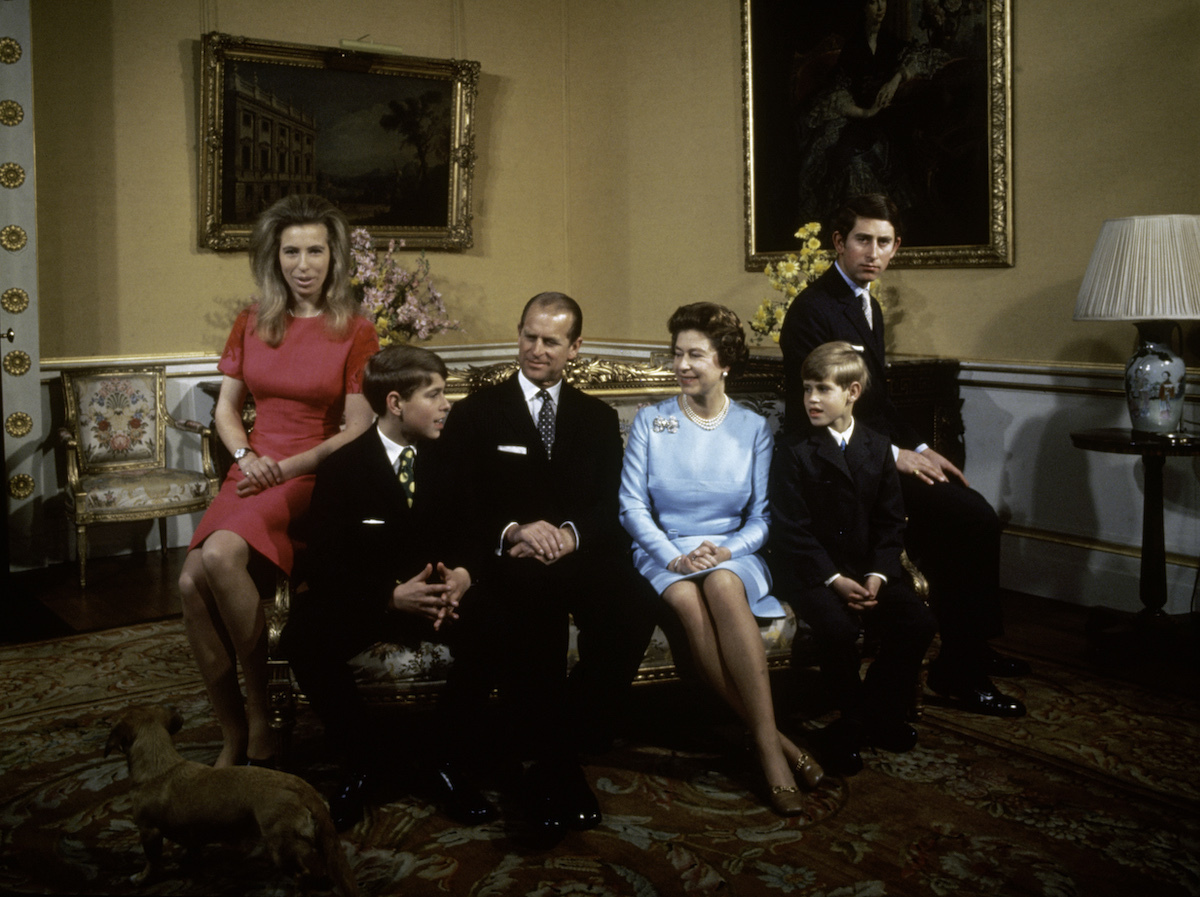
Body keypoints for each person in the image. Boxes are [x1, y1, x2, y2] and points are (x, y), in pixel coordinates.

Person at [779, 193, 1028, 718]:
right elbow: (816, 410)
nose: (873, 252)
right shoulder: (813, 309)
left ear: (896, 248)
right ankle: (959, 669)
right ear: (838, 243)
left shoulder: (866, 302)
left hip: (876, 451)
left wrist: (919, 448)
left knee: (970, 510)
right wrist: (893, 455)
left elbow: (878, 400)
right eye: (863, 240)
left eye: (884, 242)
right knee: (972, 519)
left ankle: (967, 649)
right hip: (839, 465)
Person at [422, 291, 657, 844]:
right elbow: (459, 504)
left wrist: (572, 536)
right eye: (529, 335)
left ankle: (568, 732)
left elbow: (609, 504)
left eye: (551, 341)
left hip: (573, 555)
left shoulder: (597, 418)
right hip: (509, 559)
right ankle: (555, 766)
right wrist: (514, 532)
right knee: (535, 610)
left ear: (575, 348)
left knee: (636, 601)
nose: (536, 349)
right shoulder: (479, 413)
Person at [180, 194, 379, 768]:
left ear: (333, 256)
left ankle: (264, 716)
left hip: (310, 473)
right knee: (190, 585)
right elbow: (225, 409)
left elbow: (356, 431)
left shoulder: (356, 330)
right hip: (253, 468)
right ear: (275, 257)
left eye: (315, 250)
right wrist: (245, 456)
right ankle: (231, 730)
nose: (303, 264)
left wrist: (283, 468)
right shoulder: (252, 320)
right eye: (291, 251)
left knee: (217, 556)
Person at [619, 302, 824, 817]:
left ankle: (769, 753)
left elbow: (762, 519)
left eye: (695, 355)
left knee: (724, 585)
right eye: (676, 354)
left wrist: (726, 550)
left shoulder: (753, 428)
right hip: (662, 551)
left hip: (734, 550)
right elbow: (631, 506)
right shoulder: (652, 420)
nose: (682, 365)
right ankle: (778, 746)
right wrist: (672, 557)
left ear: (724, 362)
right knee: (690, 600)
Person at [279, 345, 491, 831]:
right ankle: (363, 758)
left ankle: (444, 759)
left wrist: (462, 576)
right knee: (303, 641)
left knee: (502, 626)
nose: (446, 405)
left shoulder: (454, 457)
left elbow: (475, 534)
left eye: (446, 393)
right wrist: (390, 595)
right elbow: (325, 562)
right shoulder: (343, 468)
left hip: (442, 598)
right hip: (373, 599)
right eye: (434, 395)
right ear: (395, 402)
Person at [768, 341, 937, 775]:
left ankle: (875, 714)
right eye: (807, 389)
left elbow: (890, 523)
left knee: (917, 621)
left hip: (869, 570)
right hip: (811, 572)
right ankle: (852, 722)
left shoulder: (878, 447)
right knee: (839, 628)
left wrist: (879, 575)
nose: (811, 400)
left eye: (823, 390)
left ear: (853, 392)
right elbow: (792, 530)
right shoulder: (793, 449)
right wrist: (834, 579)